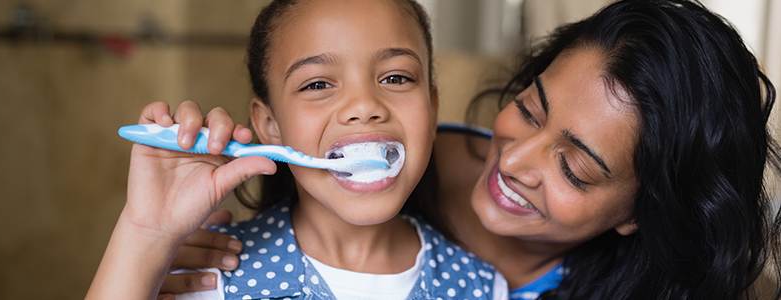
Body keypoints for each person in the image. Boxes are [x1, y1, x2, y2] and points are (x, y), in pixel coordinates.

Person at [160, 0, 781, 299]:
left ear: (638, 213)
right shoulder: (395, 149)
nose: (511, 161)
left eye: (574, 167)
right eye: (531, 109)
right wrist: (153, 244)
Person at [85, 0, 510, 299]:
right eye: (318, 84)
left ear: (431, 108)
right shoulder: (205, 277)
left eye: (396, 78)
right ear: (269, 125)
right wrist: (147, 234)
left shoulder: (481, 287)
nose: (364, 106)